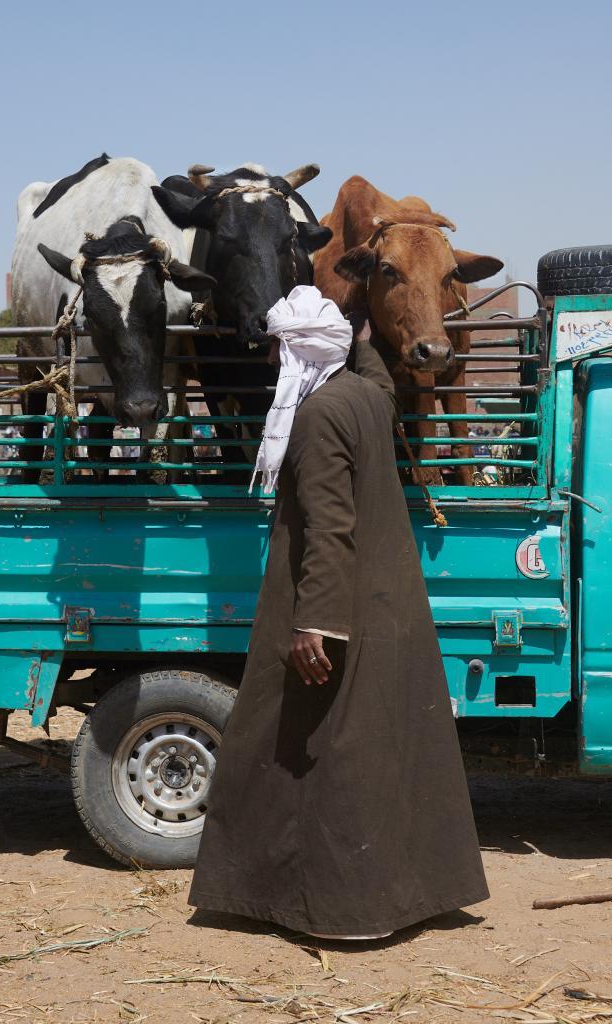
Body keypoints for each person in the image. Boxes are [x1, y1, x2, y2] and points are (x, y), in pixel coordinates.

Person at [188, 286, 488, 940]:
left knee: (328, 754)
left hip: (339, 603)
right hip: (384, 601)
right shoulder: (367, 399)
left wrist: (314, 621)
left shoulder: (320, 414)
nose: (269, 355)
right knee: (379, 749)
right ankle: (400, 896)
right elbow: (378, 372)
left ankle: (345, 911)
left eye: (276, 344)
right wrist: (353, 334)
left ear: (294, 350)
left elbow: (328, 527)